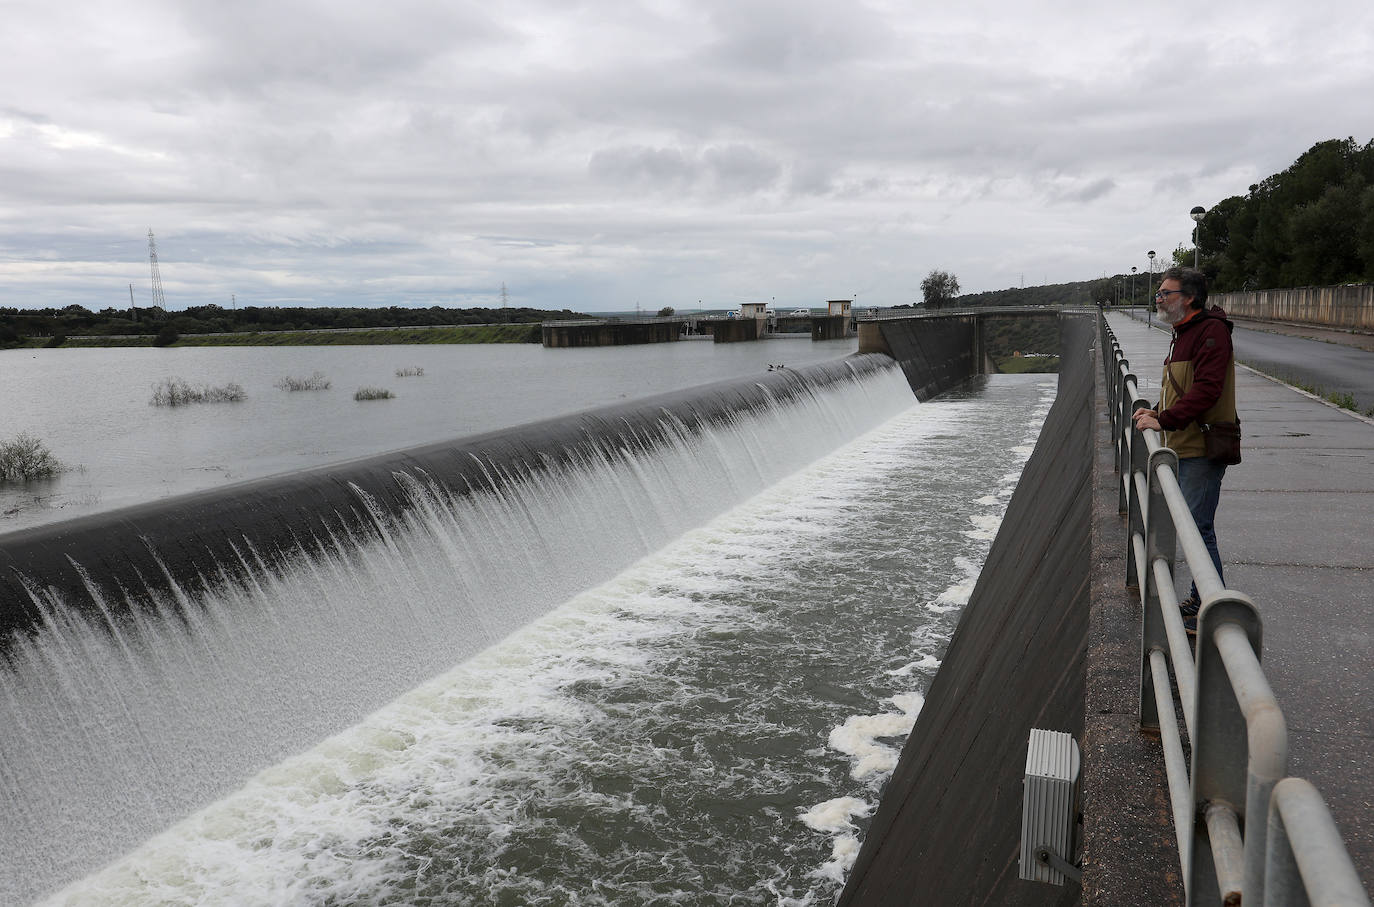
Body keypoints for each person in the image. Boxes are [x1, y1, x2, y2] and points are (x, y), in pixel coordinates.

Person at [1131, 267, 1237, 630]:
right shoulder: (1184, 332)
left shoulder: (1210, 333)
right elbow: (1182, 387)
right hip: (1185, 443)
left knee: (1197, 528)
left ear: (1189, 297)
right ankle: (1202, 598)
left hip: (1201, 446)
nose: (1158, 299)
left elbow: (1207, 390)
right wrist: (1159, 410)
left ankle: (1211, 607)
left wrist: (1165, 420)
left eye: (1165, 293)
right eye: (1158, 294)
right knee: (1193, 525)